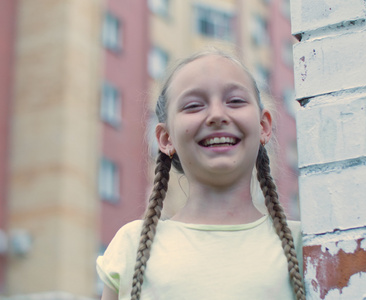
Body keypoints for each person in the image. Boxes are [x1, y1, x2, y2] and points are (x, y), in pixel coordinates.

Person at [96, 50, 305, 300]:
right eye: (194, 105)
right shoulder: (131, 246)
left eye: (235, 101)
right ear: (166, 138)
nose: (217, 115)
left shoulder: (303, 244)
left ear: (263, 126)